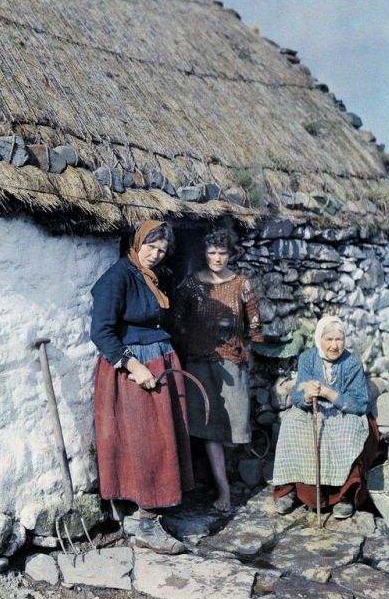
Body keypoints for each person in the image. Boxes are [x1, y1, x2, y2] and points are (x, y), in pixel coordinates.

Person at [90, 220, 194, 553]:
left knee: (164, 439)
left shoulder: (155, 278)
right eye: (150, 247)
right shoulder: (117, 278)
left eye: (162, 251)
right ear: (136, 243)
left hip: (160, 361)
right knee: (146, 442)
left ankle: (152, 512)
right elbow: (102, 332)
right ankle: (146, 522)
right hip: (134, 370)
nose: (155, 254)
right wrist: (134, 365)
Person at [174, 228, 263, 512]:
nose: (216, 258)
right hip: (200, 362)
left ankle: (218, 475)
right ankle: (223, 487)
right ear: (204, 253)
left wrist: (248, 347)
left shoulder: (242, 284)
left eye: (222, 252)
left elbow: (255, 325)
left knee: (238, 427)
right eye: (211, 252)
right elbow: (176, 320)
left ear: (230, 253)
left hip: (233, 362)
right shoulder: (191, 285)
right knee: (210, 428)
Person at [272, 315, 379, 519]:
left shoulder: (353, 362)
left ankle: (344, 496)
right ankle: (291, 489)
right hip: (312, 409)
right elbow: (296, 394)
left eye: (339, 339)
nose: (334, 345)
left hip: (344, 411)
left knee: (349, 432)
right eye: (329, 339)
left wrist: (329, 393)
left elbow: (359, 403)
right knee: (291, 424)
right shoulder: (308, 358)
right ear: (319, 339)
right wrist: (306, 394)